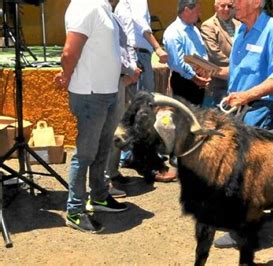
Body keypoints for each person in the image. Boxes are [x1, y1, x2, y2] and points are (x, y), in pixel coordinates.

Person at [208, 0, 273, 247]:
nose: (233, 2)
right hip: (237, 107)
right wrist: (210, 70)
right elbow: (237, 72)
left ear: (256, 2)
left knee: (248, 170)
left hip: (262, 107)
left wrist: (246, 96)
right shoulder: (241, 30)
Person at [55, 0, 128, 233]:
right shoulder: (85, 5)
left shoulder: (103, 7)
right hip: (90, 93)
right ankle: (75, 211)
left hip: (106, 91)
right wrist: (66, 76)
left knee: (102, 148)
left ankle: (99, 197)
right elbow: (69, 52)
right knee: (85, 154)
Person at [115, 0, 176, 183]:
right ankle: (148, 164)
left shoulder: (121, 3)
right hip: (138, 54)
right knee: (143, 113)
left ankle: (129, 157)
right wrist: (157, 47)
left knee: (131, 112)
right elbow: (141, 23)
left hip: (131, 55)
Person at [105, 0, 142, 198]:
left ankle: (112, 172)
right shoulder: (100, 16)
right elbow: (112, 52)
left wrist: (131, 70)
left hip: (119, 80)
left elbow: (126, 46)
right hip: (108, 82)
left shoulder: (115, 16)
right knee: (109, 132)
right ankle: (105, 181)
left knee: (118, 130)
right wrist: (130, 71)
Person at [114, 0, 168, 95]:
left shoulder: (120, 5)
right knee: (144, 101)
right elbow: (140, 22)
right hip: (138, 56)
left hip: (127, 56)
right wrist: (157, 48)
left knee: (132, 102)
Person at [163, 0, 211, 105]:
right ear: (186, 10)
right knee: (184, 117)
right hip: (184, 81)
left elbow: (201, 53)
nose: (200, 14)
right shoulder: (173, 32)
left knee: (197, 116)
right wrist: (194, 78)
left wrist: (206, 73)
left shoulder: (194, 29)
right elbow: (178, 63)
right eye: (197, 10)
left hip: (198, 79)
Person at [200, 0, 240, 108]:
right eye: (223, 6)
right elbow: (215, 54)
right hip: (219, 84)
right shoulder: (208, 26)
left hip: (237, 83)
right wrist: (239, 66)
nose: (226, 9)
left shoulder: (239, 24)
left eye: (230, 6)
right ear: (215, 7)